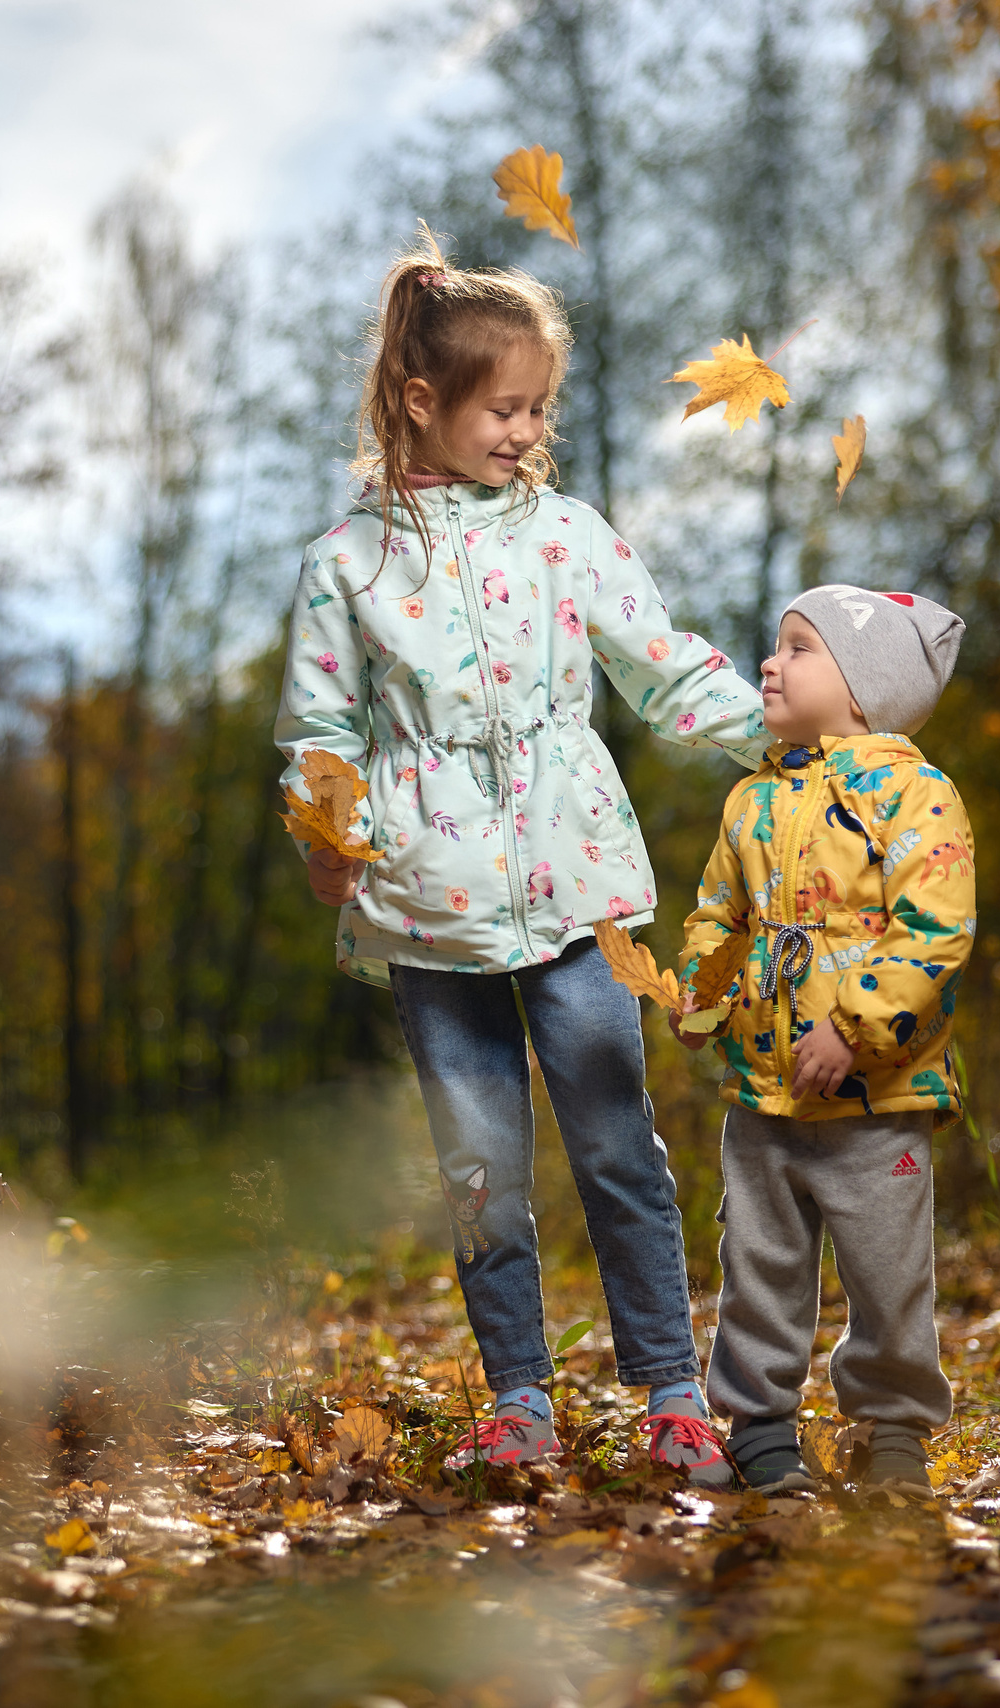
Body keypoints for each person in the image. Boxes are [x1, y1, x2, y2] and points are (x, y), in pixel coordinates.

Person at [273, 231, 769, 1480]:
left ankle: (671, 1390)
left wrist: (778, 735)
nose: (527, 429)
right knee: (480, 1167)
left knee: (615, 1141)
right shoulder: (347, 563)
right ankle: (519, 1400)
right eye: (504, 407)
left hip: (575, 883)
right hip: (423, 903)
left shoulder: (567, 535)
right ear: (420, 399)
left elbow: (662, 667)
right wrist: (327, 835)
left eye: (539, 406)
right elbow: (320, 732)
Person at [675, 584, 973, 1497]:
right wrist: (704, 992)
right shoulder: (751, 800)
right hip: (764, 1094)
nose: (770, 662)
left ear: (860, 686)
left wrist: (853, 1027)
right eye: (777, 644)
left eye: (800, 647)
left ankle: (892, 1429)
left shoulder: (915, 794)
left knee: (888, 1273)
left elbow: (936, 929)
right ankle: (760, 1425)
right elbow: (717, 914)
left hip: (878, 1097)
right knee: (758, 1262)